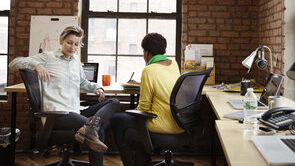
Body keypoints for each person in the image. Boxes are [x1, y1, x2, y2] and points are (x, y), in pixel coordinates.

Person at [9, 25, 119, 166]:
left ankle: (88, 128)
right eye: (69, 42)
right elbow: (14, 63)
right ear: (61, 41)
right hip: (57, 115)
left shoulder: (75, 62)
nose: (72, 47)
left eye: (76, 44)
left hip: (74, 111)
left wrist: (97, 88)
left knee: (113, 102)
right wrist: (37, 65)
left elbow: (83, 82)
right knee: (98, 131)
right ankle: (90, 130)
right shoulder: (48, 57)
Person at [111, 33, 183, 166]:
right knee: (132, 126)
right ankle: (142, 161)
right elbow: (165, 84)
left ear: (147, 53)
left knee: (117, 120)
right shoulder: (173, 64)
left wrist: (133, 112)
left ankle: (133, 163)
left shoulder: (149, 70)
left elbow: (144, 108)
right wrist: (142, 84)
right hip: (179, 121)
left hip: (161, 123)